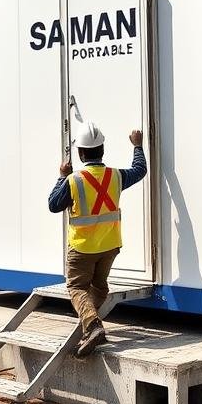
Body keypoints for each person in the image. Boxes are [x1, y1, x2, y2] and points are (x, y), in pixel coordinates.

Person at [48, 122, 146, 357]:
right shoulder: (115, 176)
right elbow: (139, 170)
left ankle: (91, 324)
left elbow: (53, 205)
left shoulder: (73, 180)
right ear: (102, 149)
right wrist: (137, 146)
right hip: (109, 245)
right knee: (99, 286)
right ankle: (88, 316)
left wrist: (62, 177)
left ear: (81, 153)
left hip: (82, 248)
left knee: (76, 287)